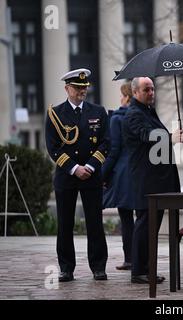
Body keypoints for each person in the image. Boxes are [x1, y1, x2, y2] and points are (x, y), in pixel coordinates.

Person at [45, 68, 109, 282]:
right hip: (66, 176)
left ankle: (99, 267)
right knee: (65, 224)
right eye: (77, 88)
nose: (82, 91)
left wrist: (90, 166)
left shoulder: (98, 112)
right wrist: (74, 168)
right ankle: (66, 268)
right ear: (67, 89)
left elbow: (106, 143)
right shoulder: (55, 114)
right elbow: (53, 147)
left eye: (84, 87)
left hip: (91, 175)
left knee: (95, 223)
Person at [122, 77, 182, 284]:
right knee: (145, 224)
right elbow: (147, 136)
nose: (151, 93)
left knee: (151, 227)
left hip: (157, 179)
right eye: (147, 89)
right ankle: (139, 271)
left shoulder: (147, 110)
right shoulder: (134, 114)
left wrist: (174, 136)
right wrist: (170, 137)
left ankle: (147, 268)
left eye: (153, 89)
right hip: (147, 179)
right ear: (135, 92)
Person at [102, 82, 136, 271]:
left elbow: (113, 151)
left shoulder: (116, 119)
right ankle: (139, 257)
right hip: (138, 173)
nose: (120, 99)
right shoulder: (141, 116)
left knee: (126, 219)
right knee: (140, 217)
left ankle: (129, 258)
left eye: (122, 96)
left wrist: (102, 175)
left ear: (127, 97)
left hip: (122, 174)